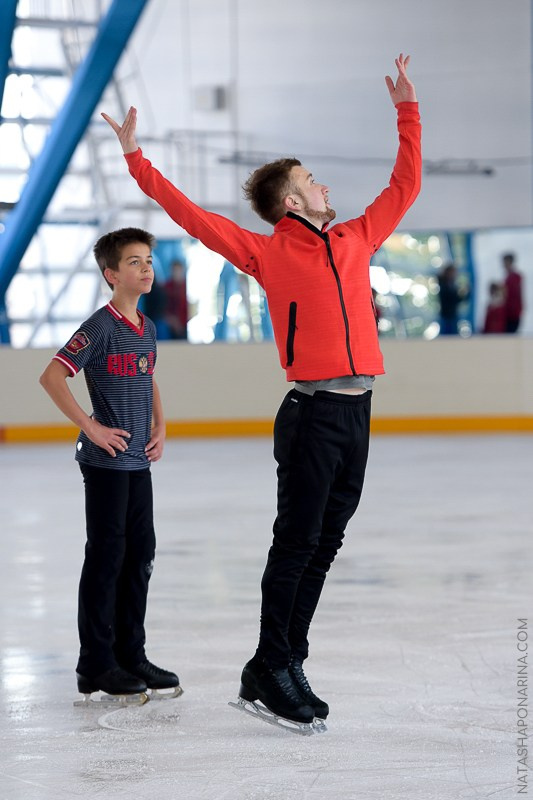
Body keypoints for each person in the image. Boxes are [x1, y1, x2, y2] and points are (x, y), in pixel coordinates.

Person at [103, 54, 421, 731]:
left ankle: (280, 662)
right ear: (291, 202)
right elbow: (189, 216)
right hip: (310, 416)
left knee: (325, 544)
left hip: (358, 409)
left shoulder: (357, 236)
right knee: (298, 543)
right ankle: (272, 667)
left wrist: (406, 113)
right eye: (310, 178)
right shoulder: (265, 250)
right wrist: (136, 162)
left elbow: (405, 184)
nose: (322, 182)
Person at [39, 228, 181, 701]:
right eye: (134, 262)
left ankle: (131, 654)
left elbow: (149, 376)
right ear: (111, 274)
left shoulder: (147, 327)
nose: (146, 268)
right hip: (105, 463)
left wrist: (161, 424)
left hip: (138, 461)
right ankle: (96, 664)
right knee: (107, 558)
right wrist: (91, 427)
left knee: (140, 556)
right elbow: (53, 375)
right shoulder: (99, 326)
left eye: (148, 261)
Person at [437, 262, 469, 335]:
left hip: (452, 315)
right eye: (453, 272)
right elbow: (452, 299)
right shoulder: (444, 286)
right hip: (447, 316)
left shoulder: (452, 285)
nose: (455, 275)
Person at [164, 258, 188, 340]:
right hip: (169, 325)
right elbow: (162, 309)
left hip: (184, 325)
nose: (176, 273)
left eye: (178, 270)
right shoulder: (166, 287)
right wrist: (172, 321)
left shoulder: (187, 287)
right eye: (174, 270)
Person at [501, 252, 523, 333]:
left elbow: (515, 296)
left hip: (512, 313)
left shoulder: (515, 277)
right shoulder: (508, 277)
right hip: (508, 312)